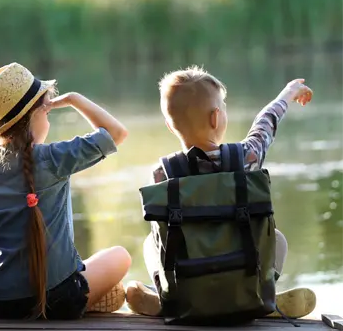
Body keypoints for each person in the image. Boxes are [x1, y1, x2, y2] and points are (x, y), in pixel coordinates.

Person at [126, 66, 317, 320]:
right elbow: (265, 125)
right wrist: (287, 93)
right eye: (224, 107)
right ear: (216, 117)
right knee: (277, 239)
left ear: (171, 127)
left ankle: (167, 298)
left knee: (151, 244)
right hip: (242, 274)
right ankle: (259, 295)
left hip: (189, 286)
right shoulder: (246, 158)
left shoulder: (162, 173)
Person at [0, 62, 131, 320]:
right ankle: (91, 298)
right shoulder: (52, 158)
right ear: (36, 115)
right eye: (47, 113)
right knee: (121, 256)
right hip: (62, 299)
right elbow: (116, 133)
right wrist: (75, 100)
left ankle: (27, 302)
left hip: (1, 304)